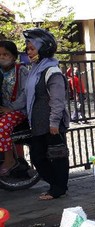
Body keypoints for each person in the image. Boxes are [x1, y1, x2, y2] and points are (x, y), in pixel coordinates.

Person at [23, 28, 70, 200]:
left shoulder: (52, 72)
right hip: (38, 123)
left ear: (43, 49)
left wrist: (54, 123)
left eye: (32, 48)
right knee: (38, 157)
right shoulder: (34, 71)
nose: (28, 52)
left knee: (57, 156)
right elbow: (26, 96)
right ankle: (56, 185)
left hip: (51, 123)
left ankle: (58, 189)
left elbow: (57, 100)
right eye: (27, 49)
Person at [0, 40, 28, 176]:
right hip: (4, 109)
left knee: (2, 125)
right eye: (0, 54)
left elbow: (26, 93)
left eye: (6, 54)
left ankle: (10, 160)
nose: (2, 57)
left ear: (13, 56)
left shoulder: (21, 70)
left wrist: (11, 108)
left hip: (19, 110)